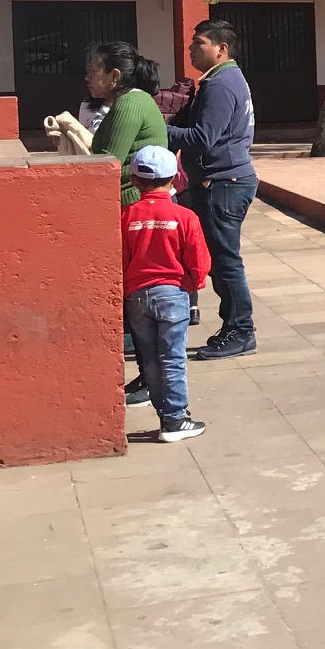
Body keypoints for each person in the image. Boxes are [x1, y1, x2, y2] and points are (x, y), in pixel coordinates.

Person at [167, 18, 259, 359]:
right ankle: (233, 326)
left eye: (199, 43)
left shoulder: (220, 85)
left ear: (221, 49)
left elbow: (202, 138)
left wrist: (159, 129)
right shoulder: (219, 80)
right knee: (220, 261)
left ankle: (241, 330)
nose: (192, 48)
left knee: (225, 261)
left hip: (225, 183)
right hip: (222, 182)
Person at [122, 145, 210, 442]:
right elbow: (200, 261)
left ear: (134, 180)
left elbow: (120, 259)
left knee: (150, 360)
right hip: (172, 293)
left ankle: (166, 416)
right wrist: (193, 284)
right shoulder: (185, 217)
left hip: (136, 295)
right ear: (175, 177)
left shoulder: (127, 216)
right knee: (172, 359)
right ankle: (174, 420)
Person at [84, 41, 168, 207]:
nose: (88, 77)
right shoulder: (131, 100)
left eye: (94, 70)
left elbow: (108, 164)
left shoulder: (129, 104)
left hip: (133, 203)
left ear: (115, 76)